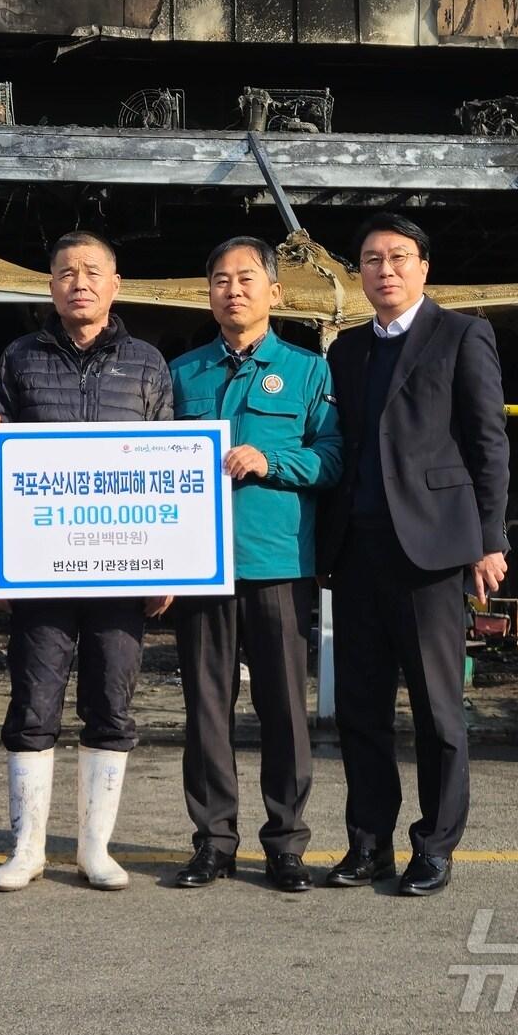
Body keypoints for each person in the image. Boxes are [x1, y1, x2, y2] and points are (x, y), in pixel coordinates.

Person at [317, 212, 509, 897]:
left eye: (399, 257)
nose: (385, 270)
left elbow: (489, 441)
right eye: (372, 259)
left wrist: (490, 539)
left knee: (436, 710)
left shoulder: (462, 334)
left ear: (424, 267)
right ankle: (369, 844)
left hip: (432, 550)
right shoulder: (346, 351)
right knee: (360, 710)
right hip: (358, 551)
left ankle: (434, 846)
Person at [0, 230, 173, 892]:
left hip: (123, 571)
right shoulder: (21, 357)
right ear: (51, 286)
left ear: (115, 285)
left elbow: (166, 472)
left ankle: (95, 849)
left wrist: (167, 567)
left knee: (111, 705)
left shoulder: (147, 363)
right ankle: (27, 848)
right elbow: (1, 452)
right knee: (33, 704)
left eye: (93, 271)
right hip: (43, 570)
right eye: (66, 272)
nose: (79, 282)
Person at [168, 236, 341, 893]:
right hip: (199, 569)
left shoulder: (308, 371)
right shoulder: (182, 374)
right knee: (206, 709)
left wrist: (273, 461)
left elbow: (333, 458)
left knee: (284, 711)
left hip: (277, 563)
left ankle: (285, 845)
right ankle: (213, 842)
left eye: (246, 279)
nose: (233, 290)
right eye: (220, 279)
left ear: (275, 291)